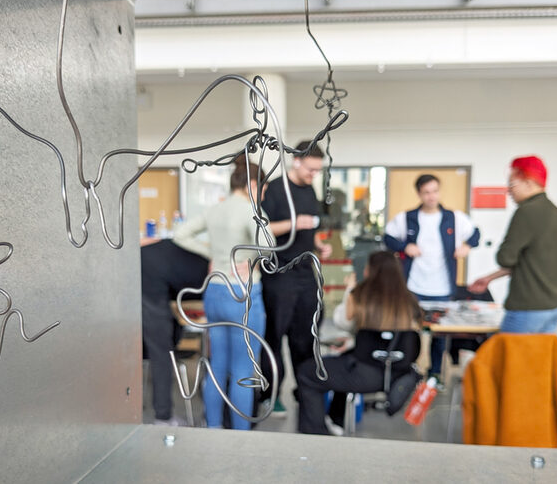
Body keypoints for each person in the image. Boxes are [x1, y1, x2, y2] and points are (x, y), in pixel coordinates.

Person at [173, 158, 270, 430]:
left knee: (217, 366)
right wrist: (249, 259)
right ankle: (240, 436)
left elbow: (181, 234)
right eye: (262, 189)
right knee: (242, 370)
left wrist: (214, 255)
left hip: (214, 290)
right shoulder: (252, 212)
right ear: (252, 185)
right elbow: (270, 247)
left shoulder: (215, 210)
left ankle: (213, 430)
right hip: (243, 293)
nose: (262, 195)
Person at [295, 251, 423, 435]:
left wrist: (349, 290)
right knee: (344, 359)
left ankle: (316, 433)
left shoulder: (361, 295)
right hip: (397, 376)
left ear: (370, 270)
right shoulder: (410, 301)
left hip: (364, 375)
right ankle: (336, 420)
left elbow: (342, 322)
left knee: (308, 372)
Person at [258, 140, 333, 417]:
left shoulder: (310, 190)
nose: (314, 175)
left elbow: (308, 231)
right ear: (296, 161)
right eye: (311, 169)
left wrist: (317, 244)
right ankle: (270, 395)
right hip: (279, 274)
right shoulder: (275, 190)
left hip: (305, 274)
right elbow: (263, 231)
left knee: (306, 337)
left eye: (317, 171)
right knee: (274, 338)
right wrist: (294, 223)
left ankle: (305, 391)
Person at [383, 174, 480, 382]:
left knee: (439, 335)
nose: (431, 196)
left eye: (435, 191)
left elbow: (475, 234)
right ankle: (406, 373)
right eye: (426, 192)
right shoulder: (406, 217)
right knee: (408, 331)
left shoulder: (454, 217)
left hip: (443, 287)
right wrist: (404, 246)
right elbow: (388, 238)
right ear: (419, 193)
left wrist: (466, 246)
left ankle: (434, 375)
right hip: (413, 286)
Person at [469, 155, 557, 332]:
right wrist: (490, 278)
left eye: (512, 184)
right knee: (536, 358)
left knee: (511, 358)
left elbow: (505, 258)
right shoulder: (554, 211)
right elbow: (530, 261)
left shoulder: (527, 211)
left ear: (529, 182)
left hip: (529, 307)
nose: (509, 191)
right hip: (554, 305)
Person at [141, 238, 208, 426]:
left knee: (163, 345)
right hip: (152, 277)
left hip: (155, 268)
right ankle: (163, 417)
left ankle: (164, 414)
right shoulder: (215, 264)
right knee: (161, 350)